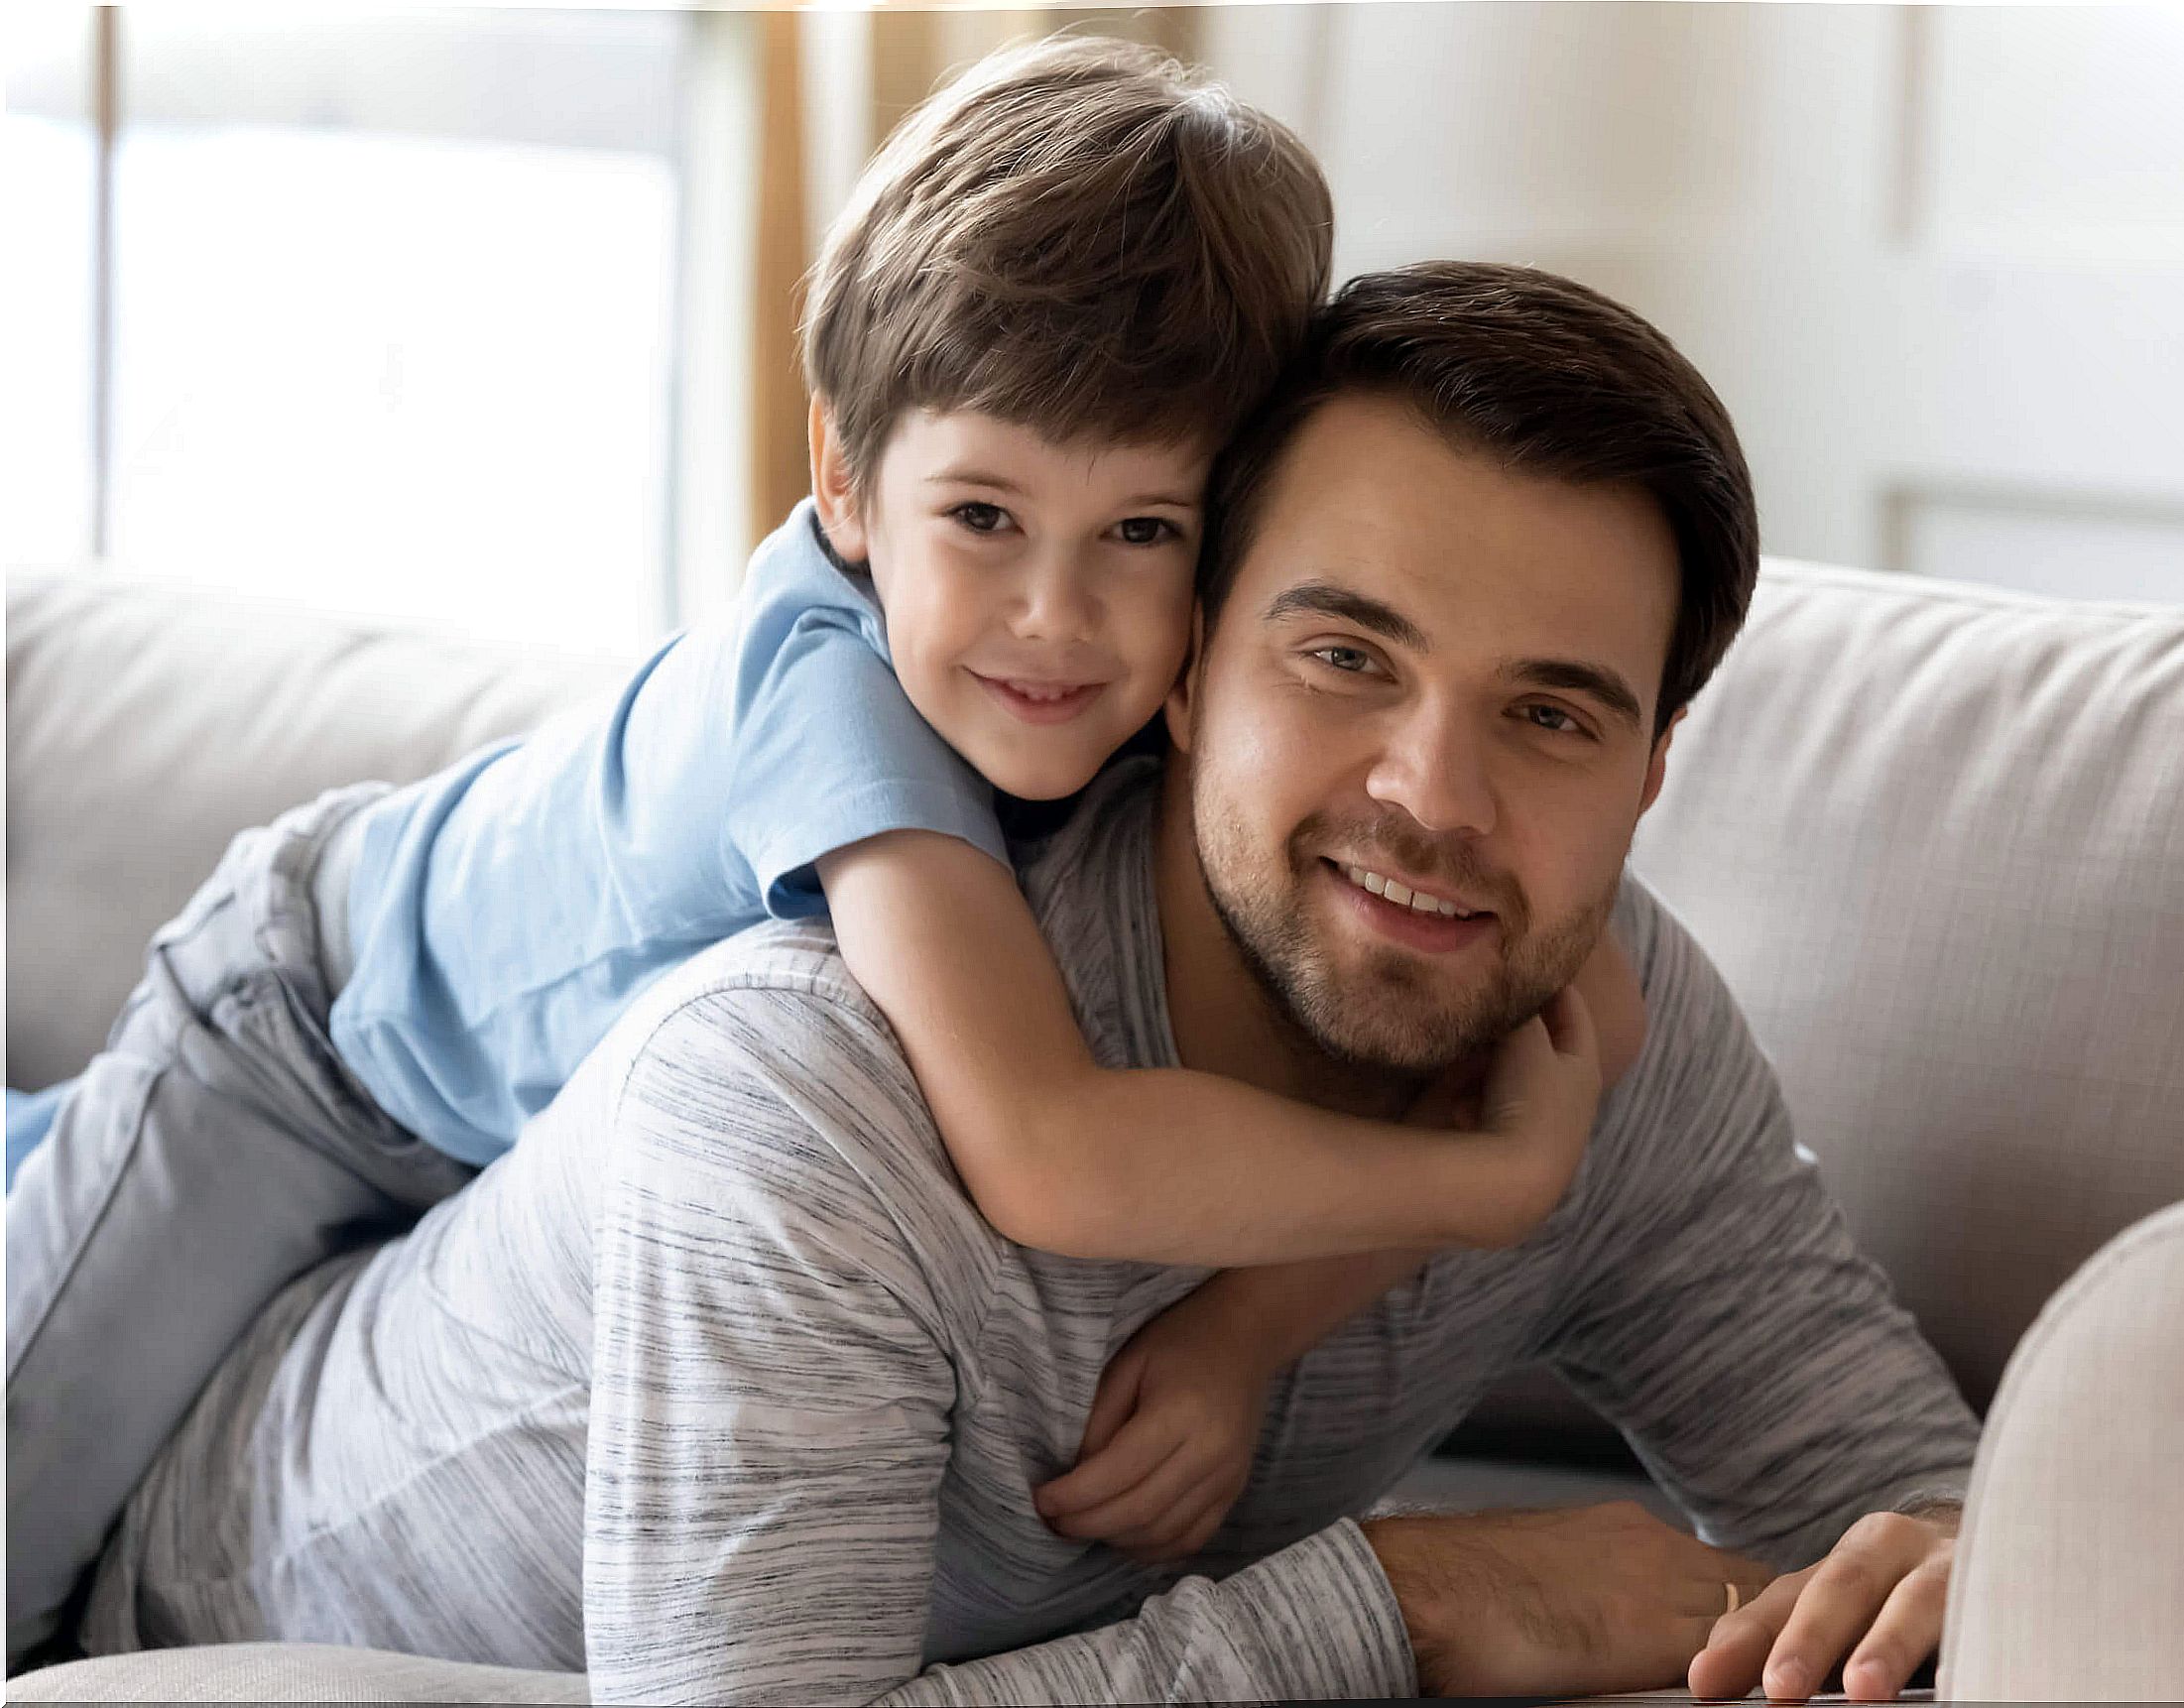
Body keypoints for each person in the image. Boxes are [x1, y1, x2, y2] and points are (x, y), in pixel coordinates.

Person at [75, 262, 1984, 1705]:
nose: (1433, 798)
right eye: (1342, 658)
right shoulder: (813, 1093)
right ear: (1180, 667)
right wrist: (1412, 1602)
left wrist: (1974, 1563)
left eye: (1551, 714)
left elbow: (1920, 1516)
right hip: (154, 1601)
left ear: (1650, 768)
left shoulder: (1605, 1035)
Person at [3, 37, 1643, 1668]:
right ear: (844, 481)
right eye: (981, 516)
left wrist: (1243, 1328)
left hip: (494, 1152)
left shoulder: (1134, 689)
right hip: (292, 1043)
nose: (1055, 617)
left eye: (1142, 531)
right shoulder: (833, 705)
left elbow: (1586, 972)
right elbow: (1047, 1147)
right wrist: (1486, 1182)